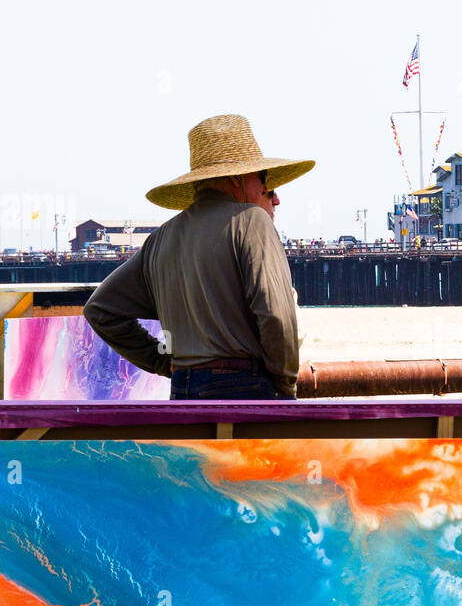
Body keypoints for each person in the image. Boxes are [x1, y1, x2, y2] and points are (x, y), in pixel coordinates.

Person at [83, 114, 314, 400]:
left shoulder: (161, 238)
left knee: (196, 449)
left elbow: (100, 310)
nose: (271, 195)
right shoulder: (251, 222)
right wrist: (285, 385)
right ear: (236, 178)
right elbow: (276, 316)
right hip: (244, 387)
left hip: (182, 390)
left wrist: (162, 361)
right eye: (263, 179)